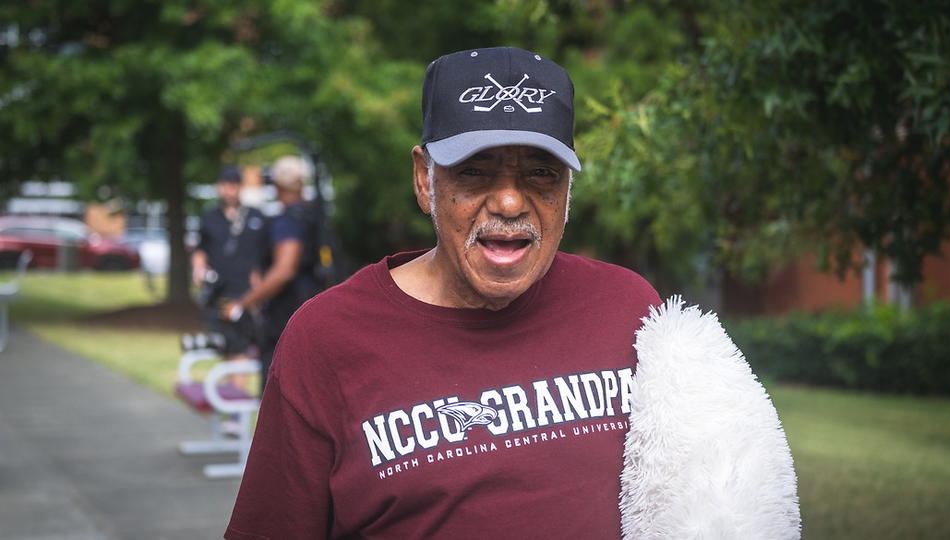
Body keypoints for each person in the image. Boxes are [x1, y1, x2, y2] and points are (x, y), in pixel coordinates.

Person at [225, 47, 661, 539]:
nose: (510, 201)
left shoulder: (628, 309)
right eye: (474, 170)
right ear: (424, 180)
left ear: (567, 188)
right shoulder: (326, 338)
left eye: (541, 173)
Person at [219, 156, 321, 389]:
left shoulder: (288, 220)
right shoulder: (313, 214)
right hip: (312, 306)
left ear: (277, 185)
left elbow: (284, 270)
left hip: (287, 314)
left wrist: (242, 303)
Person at [192, 165, 268, 390]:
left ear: (240, 187)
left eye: (233, 185)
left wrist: (261, 280)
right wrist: (199, 269)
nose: (228, 190)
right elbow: (200, 250)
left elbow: (269, 254)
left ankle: (237, 408)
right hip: (219, 292)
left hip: (249, 294)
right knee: (227, 348)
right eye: (224, 185)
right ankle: (233, 403)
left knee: (240, 348)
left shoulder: (257, 217)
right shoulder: (209, 218)